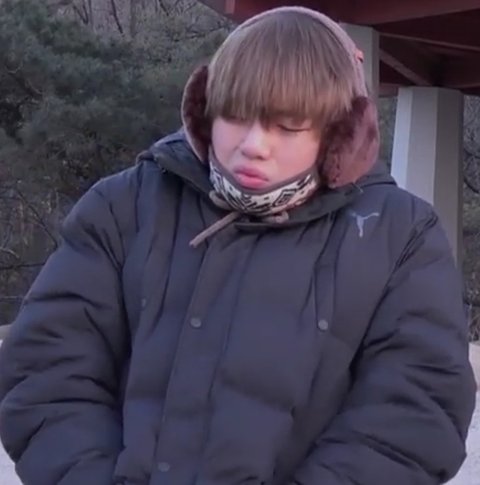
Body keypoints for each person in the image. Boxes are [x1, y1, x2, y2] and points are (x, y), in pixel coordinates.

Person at [0, 6, 476, 485]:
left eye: (287, 126)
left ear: (338, 133)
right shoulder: (124, 206)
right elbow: (45, 371)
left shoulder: (399, 237)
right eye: (235, 115)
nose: (254, 145)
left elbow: (416, 410)